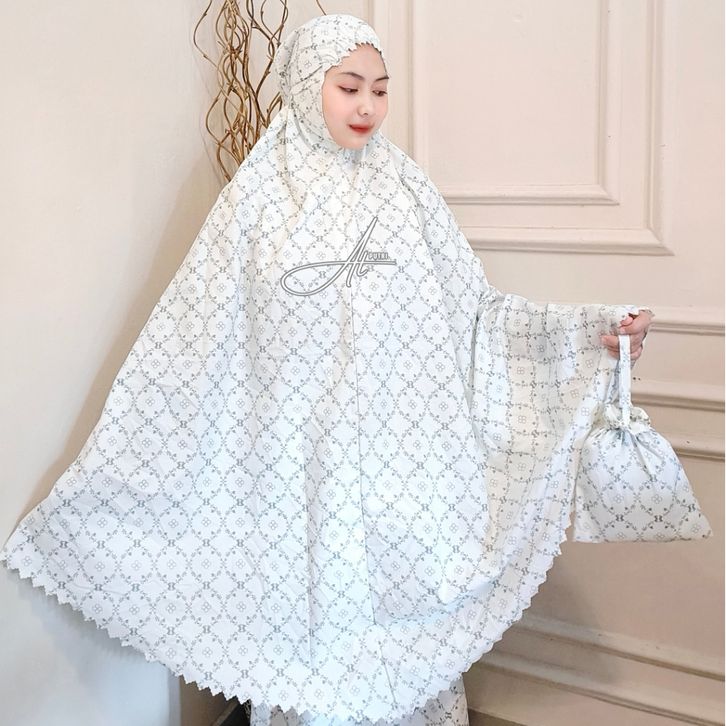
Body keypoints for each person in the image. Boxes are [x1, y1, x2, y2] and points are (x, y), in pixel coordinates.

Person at [1, 13, 658, 726]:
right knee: (309, 646)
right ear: (307, 84)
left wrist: (592, 330)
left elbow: (476, 314)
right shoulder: (256, 198)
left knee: (401, 638)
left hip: (404, 466)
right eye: (349, 87)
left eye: (380, 88)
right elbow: (198, 331)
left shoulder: (405, 188)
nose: (368, 106)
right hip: (295, 475)